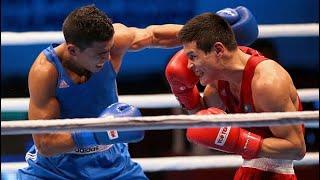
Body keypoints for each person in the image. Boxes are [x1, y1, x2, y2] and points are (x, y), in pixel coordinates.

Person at [17, 4, 257, 179]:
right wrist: (103, 132)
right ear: (73, 50)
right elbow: (45, 144)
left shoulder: (114, 42)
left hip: (111, 161)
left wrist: (212, 31)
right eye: (100, 54)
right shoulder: (45, 72)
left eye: (109, 50)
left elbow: (154, 35)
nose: (108, 57)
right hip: (56, 170)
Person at [165, 12, 306, 179]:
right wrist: (186, 94)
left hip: (278, 174)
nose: (188, 65)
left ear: (218, 50)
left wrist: (241, 141)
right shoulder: (218, 83)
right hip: (248, 169)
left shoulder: (267, 83)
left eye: (193, 56)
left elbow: (297, 148)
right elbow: (202, 127)